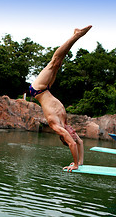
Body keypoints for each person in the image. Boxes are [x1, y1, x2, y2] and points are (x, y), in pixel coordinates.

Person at [29, 25, 92, 172]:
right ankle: (75, 35)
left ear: (65, 136)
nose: (73, 131)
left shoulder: (57, 126)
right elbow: (80, 142)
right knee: (58, 63)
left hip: (38, 89)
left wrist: (75, 164)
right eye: (74, 132)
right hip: (47, 89)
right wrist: (81, 163)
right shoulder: (65, 123)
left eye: (72, 134)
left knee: (55, 60)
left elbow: (73, 144)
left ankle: (76, 35)